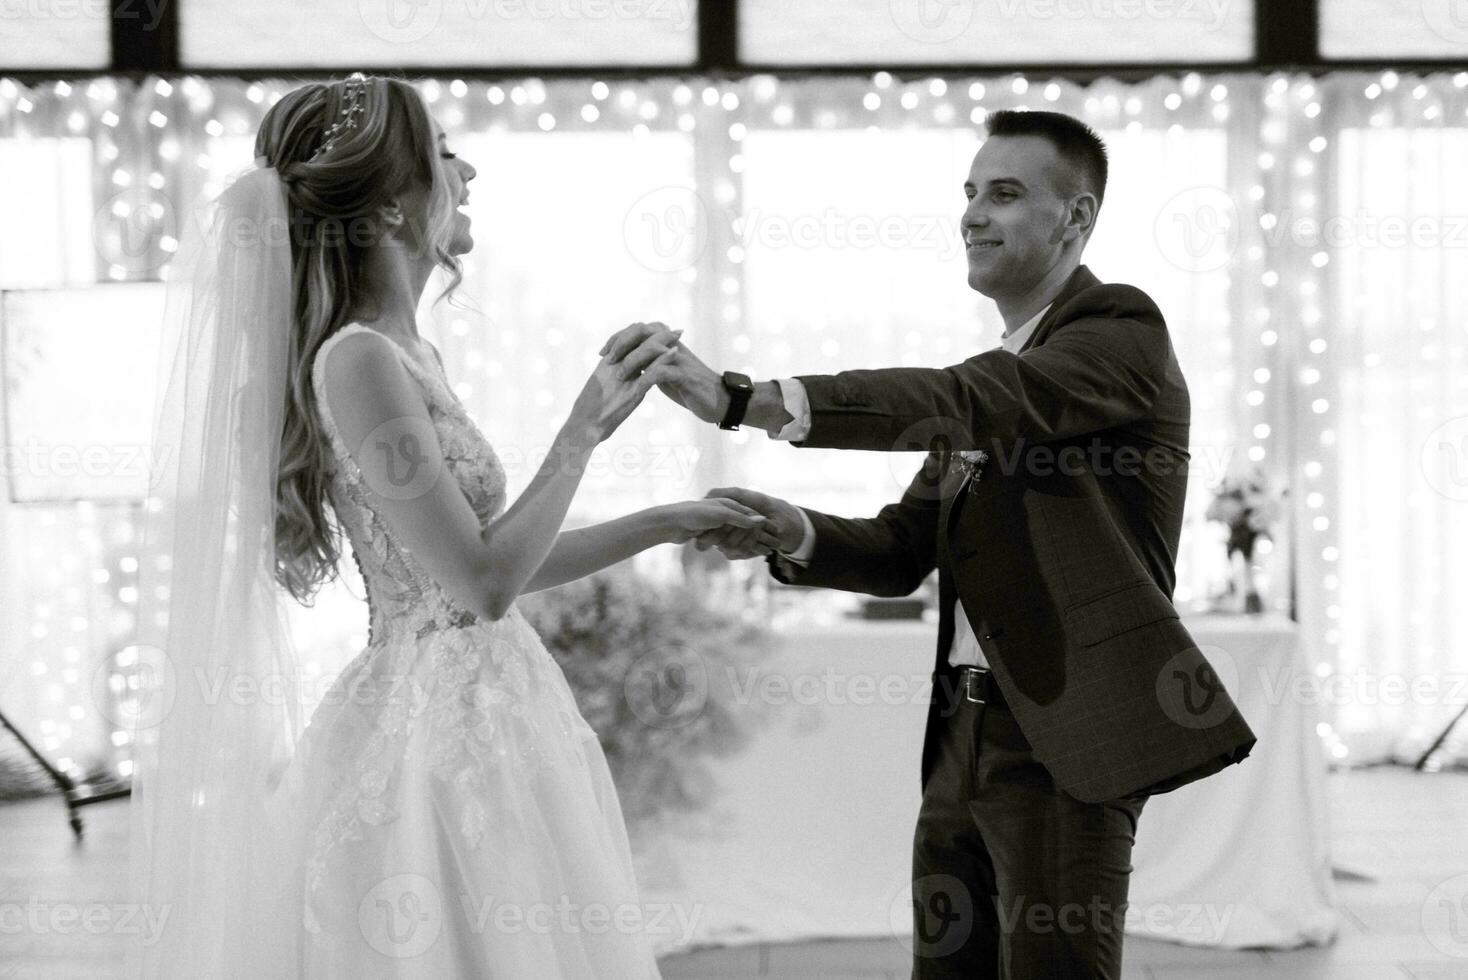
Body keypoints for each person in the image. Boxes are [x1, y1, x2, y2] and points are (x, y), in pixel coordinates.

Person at [128, 72, 764, 978]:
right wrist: (581, 431)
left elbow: (487, 563)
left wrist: (672, 520)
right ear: (391, 210)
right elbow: (480, 585)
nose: (469, 173)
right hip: (440, 727)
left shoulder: (407, 352)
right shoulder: (358, 361)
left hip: (489, 699)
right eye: (443, 156)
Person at [604, 109, 1257, 978]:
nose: (974, 213)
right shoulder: (989, 387)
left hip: (1063, 743)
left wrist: (746, 399)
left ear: (1077, 218)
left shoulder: (1118, 333)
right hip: (962, 737)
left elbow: (973, 401)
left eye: (1006, 193)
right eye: (970, 193)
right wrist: (789, 531)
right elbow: (902, 546)